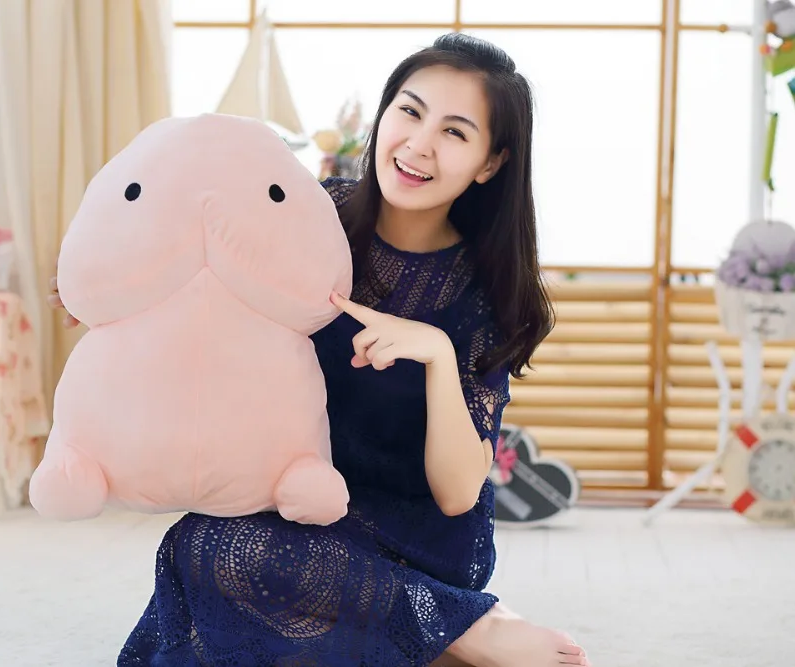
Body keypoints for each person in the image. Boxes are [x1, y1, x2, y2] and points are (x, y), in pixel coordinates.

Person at [49, 32, 590, 667]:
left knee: (240, 568)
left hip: (414, 533)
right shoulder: (309, 213)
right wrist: (123, 296)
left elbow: (456, 494)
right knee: (197, 544)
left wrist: (437, 354)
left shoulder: (485, 290)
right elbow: (209, 280)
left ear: (490, 163)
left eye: (454, 131)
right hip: (299, 500)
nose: (419, 144)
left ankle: (464, 625)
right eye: (410, 112)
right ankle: (448, 638)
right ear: (384, 114)